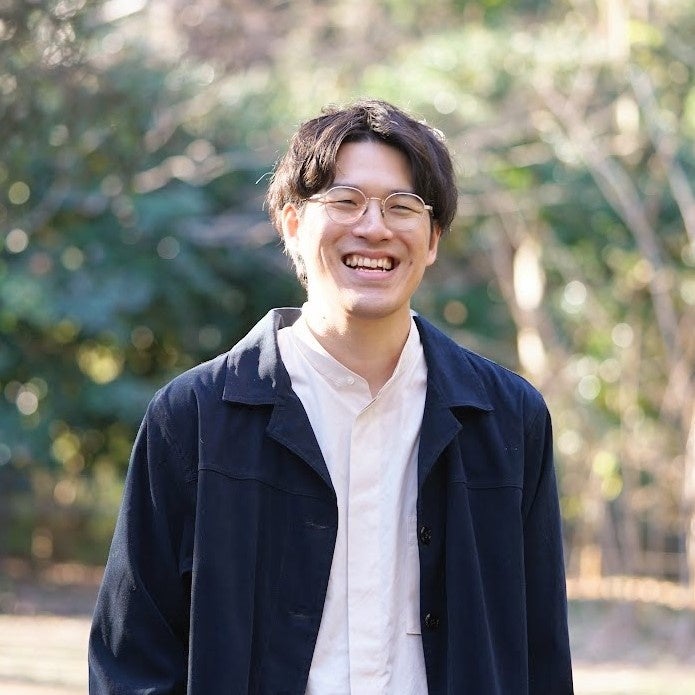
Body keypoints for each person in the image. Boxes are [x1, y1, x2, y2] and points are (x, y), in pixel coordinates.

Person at [88, 99, 574, 694]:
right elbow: (131, 660)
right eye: (345, 201)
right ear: (292, 223)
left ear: (433, 238)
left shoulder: (508, 420)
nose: (374, 227)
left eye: (402, 206)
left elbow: (541, 654)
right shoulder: (193, 418)